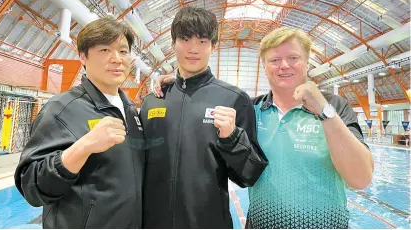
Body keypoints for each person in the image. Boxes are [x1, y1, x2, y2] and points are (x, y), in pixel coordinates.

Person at [154, 27, 374, 229]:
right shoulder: (251, 109)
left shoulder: (335, 107)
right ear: (264, 66)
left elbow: (361, 179)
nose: (284, 66)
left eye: (293, 58)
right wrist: (181, 85)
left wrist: (325, 112)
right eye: (275, 60)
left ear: (307, 62)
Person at [140, 6, 267, 228]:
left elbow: (248, 175)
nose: (193, 49)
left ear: (213, 47)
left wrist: (232, 138)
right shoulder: (153, 100)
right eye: (185, 39)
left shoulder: (234, 100)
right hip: (153, 222)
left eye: (202, 41)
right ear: (173, 44)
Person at [14, 18, 145, 228]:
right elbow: (32, 188)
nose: (116, 59)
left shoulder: (131, 109)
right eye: (104, 50)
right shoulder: (61, 109)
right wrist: (83, 147)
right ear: (83, 56)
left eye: (123, 51)